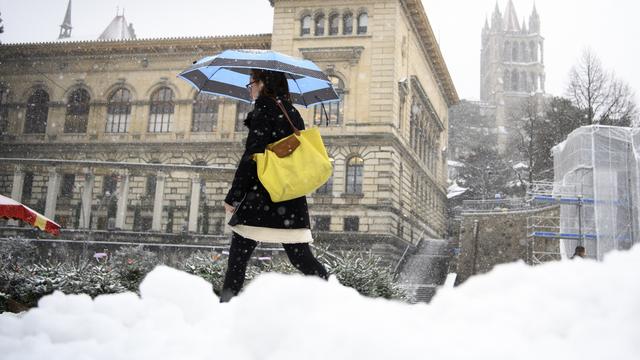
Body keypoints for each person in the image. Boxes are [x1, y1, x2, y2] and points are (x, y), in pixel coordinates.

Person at [219, 68, 329, 303]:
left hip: (262, 196)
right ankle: (334, 297)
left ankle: (224, 308)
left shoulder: (263, 111)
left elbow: (252, 156)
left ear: (263, 83)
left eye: (251, 84)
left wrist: (234, 195)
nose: (250, 89)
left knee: (237, 260)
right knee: (301, 258)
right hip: (288, 196)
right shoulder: (292, 112)